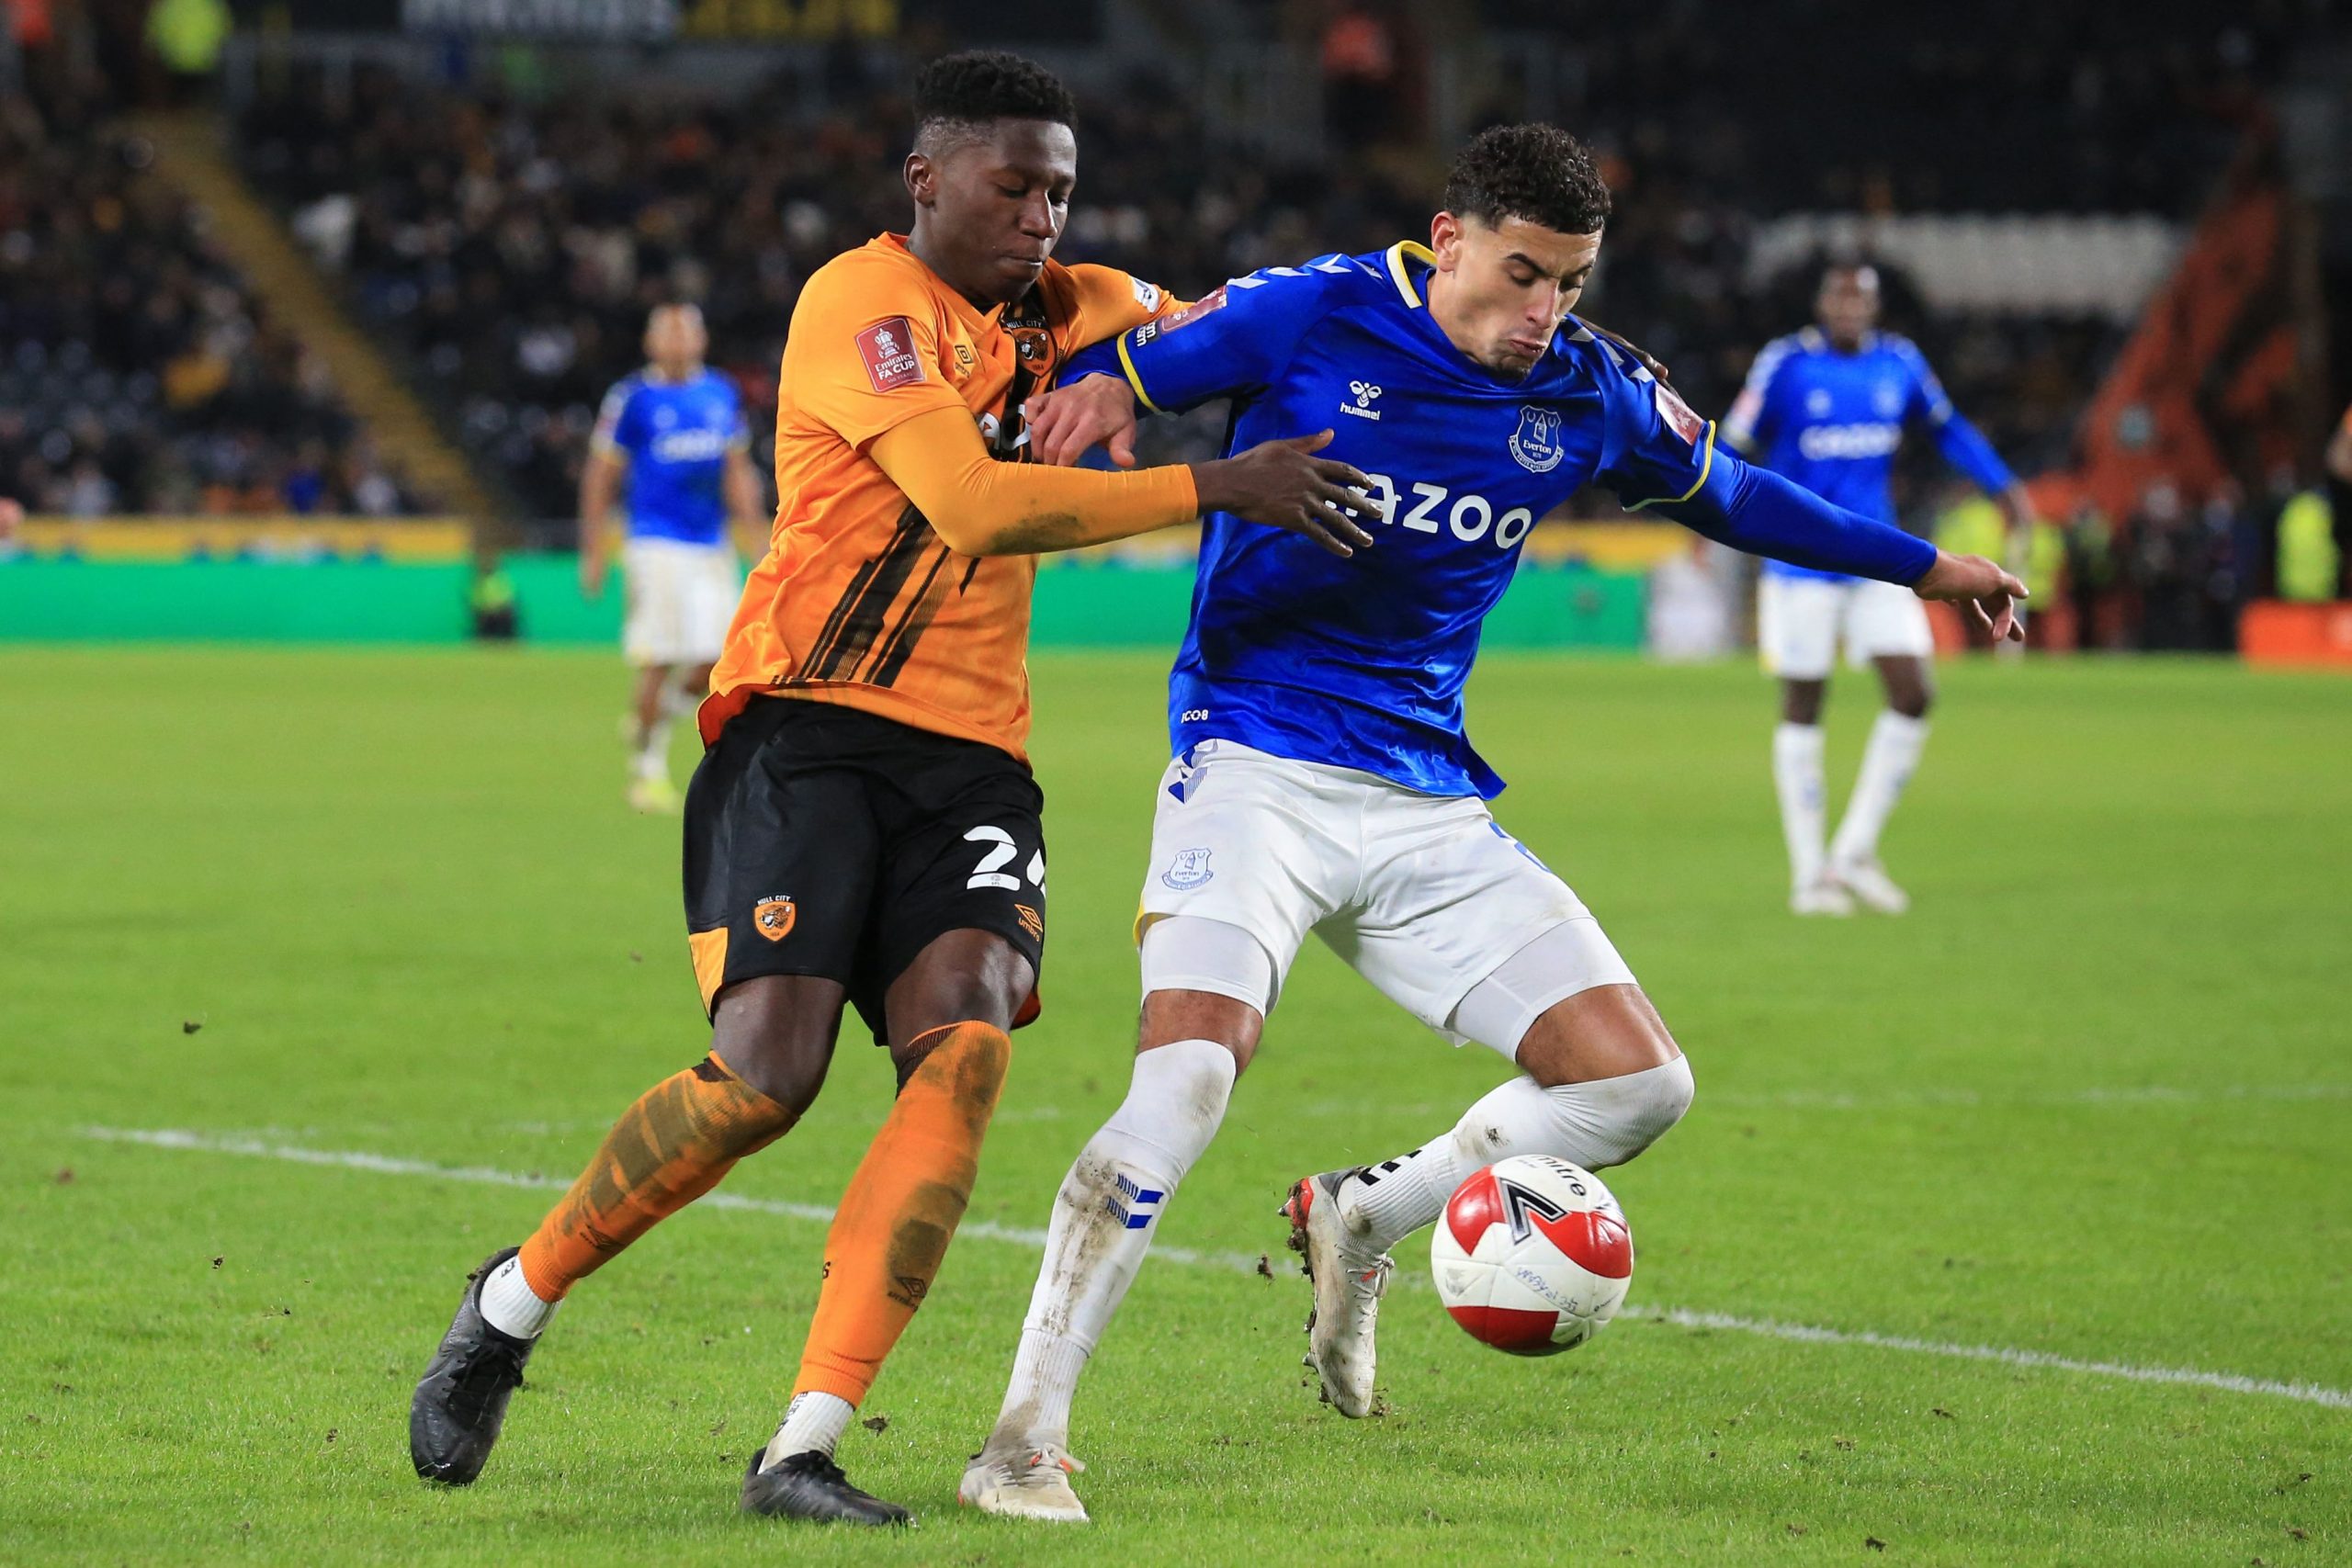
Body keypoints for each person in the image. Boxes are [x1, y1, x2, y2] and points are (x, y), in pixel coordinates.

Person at [956, 123, 2024, 1523]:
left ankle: (1362, 1215)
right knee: (1192, 1079)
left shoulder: (1590, 387)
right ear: (1449, 238)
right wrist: (1095, 398)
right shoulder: (1315, 306)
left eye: (1571, 283)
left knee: (1641, 1084)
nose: (1546, 313)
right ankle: (1021, 1439)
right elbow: (1129, 367)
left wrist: (1927, 563)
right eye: (1525, 274)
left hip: (1427, 800)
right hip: (1253, 761)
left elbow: (1739, 495)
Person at [408, 50, 1372, 1528]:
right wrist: (1209, 485)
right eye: (1013, 182)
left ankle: (803, 1440)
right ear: (926, 179)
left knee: (967, 1045)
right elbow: (975, 506)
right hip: (806, 729)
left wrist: (1449, 320)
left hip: (973, 758)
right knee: (764, 1081)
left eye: (1061, 187)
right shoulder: (859, 305)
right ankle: (513, 1300)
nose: (1043, 213)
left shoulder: (1090, 309)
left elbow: (1262, 328)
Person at [1725, 264, 2034, 915]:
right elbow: (1734, 438)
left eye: (1860, 298)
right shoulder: (1785, 364)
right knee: (1805, 700)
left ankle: (1854, 851)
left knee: (1915, 692)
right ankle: (1810, 873)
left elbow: (1948, 428)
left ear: (1875, 307)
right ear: (1819, 303)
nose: (1848, 307)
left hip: (1877, 559)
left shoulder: (1900, 363)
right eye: (1838, 296)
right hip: (1799, 563)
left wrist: (2003, 486)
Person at [578, 304, 765, 813]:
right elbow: (601, 475)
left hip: (710, 544)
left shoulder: (720, 393)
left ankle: (650, 719)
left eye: (688, 333)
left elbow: (736, 469)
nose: (680, 343)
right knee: (660, 657)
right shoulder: (633, 399)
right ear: (651, 342)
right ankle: (646, 768)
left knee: (719, 661)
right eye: (669, 334)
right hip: (654, 542)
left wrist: (756, 537)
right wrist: (593, 550)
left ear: (701, 341)